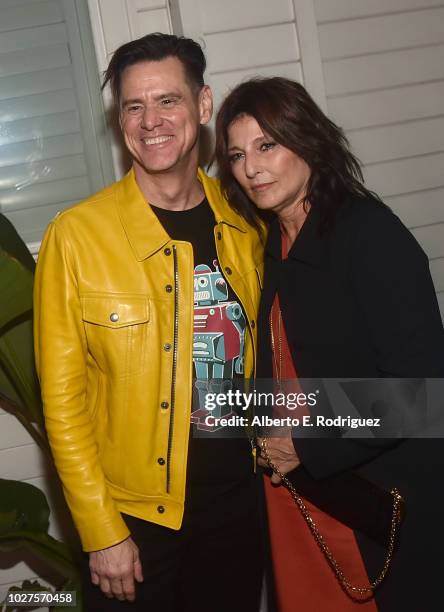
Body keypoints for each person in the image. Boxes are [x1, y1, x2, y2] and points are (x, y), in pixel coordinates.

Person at [34, 34, 265, 612]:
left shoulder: (246, 222)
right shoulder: (78, 236)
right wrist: (101, 531)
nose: (149, 120)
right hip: (136, 526)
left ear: (203, 105)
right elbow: (63, 403)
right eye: (133, 106)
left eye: (167, 101)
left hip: (239, 509)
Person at [214, 77, 444, 612]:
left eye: (267, 145)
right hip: (297, 498)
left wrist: (308, 444)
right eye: (237, 154)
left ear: (308, 140)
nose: (251, 168)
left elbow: (422, 392)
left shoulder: (367, 234)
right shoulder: (274, 240)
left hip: (369, 503)